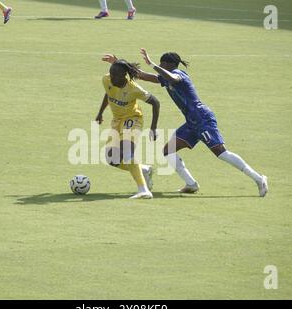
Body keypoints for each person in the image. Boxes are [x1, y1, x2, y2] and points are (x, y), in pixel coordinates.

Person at [103, 51, 268, 197]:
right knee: (168, 150)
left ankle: (259, 179)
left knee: (221, 153)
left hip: (203, 119)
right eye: (159, 63)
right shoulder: (165, 77)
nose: (161, 66)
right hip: (191, 123)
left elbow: (172, 77)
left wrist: (153, 65)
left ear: (170, 65)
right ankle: (191, 184)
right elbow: (142, 75)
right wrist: (118, 64)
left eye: (163, 64)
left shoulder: (179, 74)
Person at [96, 59, 160, 199]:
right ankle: (143, 169)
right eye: (111, 74)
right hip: (116, 121)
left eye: (115, 75)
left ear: (124, 75)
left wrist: (153, 128)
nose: (112, 78)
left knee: (127, 153)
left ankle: (143, 190)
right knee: (112, 159)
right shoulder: (106, 80)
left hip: (133, 119)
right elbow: (108, 93)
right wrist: (100, 113)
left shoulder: (134, 89)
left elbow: (155, 102)